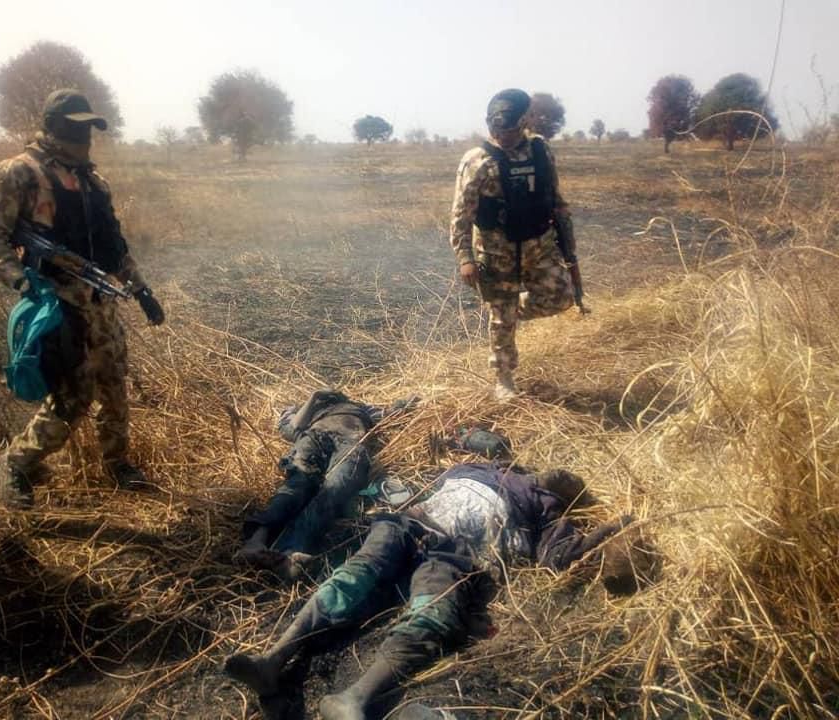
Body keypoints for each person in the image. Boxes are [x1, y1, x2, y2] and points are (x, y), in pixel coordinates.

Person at [225, 462, 650, 720]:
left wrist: (613, 530)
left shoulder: (544, 508)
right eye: (559, 478)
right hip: (408, 524)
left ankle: (353, 698)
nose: (557, 479)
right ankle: (273, 659)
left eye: (564, 483)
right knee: (356, 575)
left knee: (432, 614)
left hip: (453, 557)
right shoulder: (482, 467)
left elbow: (559, 556)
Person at [0, 89, 165, 509]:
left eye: (89, 127)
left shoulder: (95, 182)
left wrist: (141, 288)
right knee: (72, 397)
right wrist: (23, 282)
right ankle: (15, 463)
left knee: (114, 386)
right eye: (76, 127)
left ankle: (117, 465)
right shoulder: (20, 172)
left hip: (101, 302)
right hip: (58, 305)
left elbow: (114, 247)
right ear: (54, 125)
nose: (84, 137)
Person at [450, 89, 579, 400]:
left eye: (507, 130)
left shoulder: (541, 151)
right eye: (495, 129)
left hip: (540, 246)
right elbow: (460, 215)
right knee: (500, 317)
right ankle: (504, 378)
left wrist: (569, 247)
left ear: (525, 122)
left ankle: (510, 309)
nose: (500, 136)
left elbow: (556, 200)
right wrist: (465, 258)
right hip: (497, 253)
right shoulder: (477, 160)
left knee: (562, 297)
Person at [238, 390, 412, 581]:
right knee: (299, 483)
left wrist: (408, 401)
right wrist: (314, 398)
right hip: (314, 437)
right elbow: (292, 428)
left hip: (350, 442)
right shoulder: (305, 408)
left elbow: (391, 415)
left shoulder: (361, 408)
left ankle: (290, 552)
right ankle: (256, 542)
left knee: (336, 488)